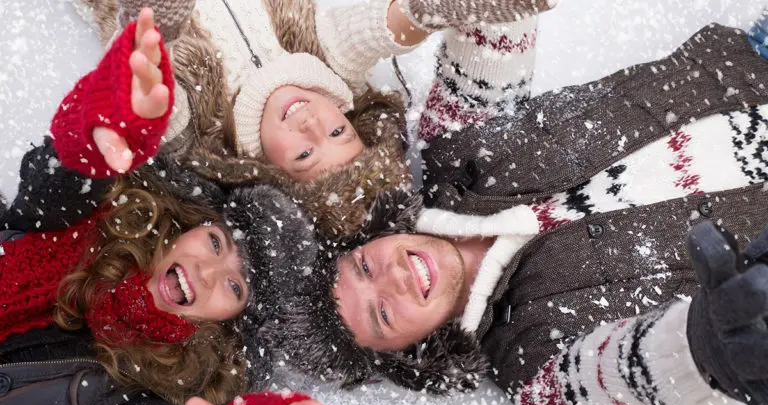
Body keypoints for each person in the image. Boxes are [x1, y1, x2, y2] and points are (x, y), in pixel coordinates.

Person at [266, 19, 768, 405]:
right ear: (409, 352)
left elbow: (491, 30)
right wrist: (704, 349)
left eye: (364, 267)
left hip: (750, 63)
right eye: (383, 315)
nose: (393, 279)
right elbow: (624, 374)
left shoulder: (452, 149)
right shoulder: (532, 368)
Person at [0, 9, 332, 405]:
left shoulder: (148, 397)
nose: (208, 272)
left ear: (226, 327)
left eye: (235, 286)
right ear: (188, 227)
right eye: (216, 243)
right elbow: (49, 196)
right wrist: (97, 143)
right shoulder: (97, 224)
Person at [73, 0, 555, 240]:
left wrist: (151, 33)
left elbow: (147, 90)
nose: (310, 124)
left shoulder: (199, 128)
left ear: (271, 174)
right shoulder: (327, 69)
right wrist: (429, 11)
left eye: (305, 154)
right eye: (337, 132)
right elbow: (365, 30)